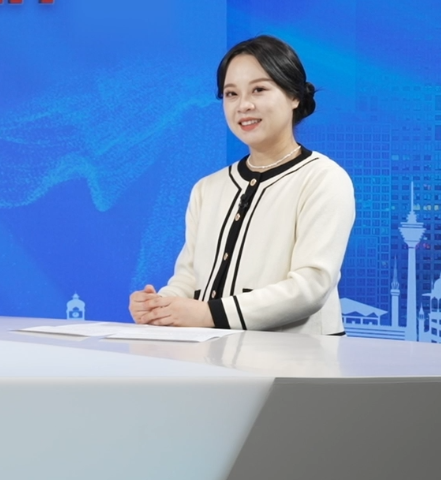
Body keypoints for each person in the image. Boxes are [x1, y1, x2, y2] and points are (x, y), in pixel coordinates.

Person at [128, 35, 354, 334]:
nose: (244, 105)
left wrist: (209, 314)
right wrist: (159, 306)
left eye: (259, 89)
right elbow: (189, 278)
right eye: (231, 94)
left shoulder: (323, 178)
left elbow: (311, 287)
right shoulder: (207, 189)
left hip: (300, 354)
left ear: (294, 96)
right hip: (211, 352)